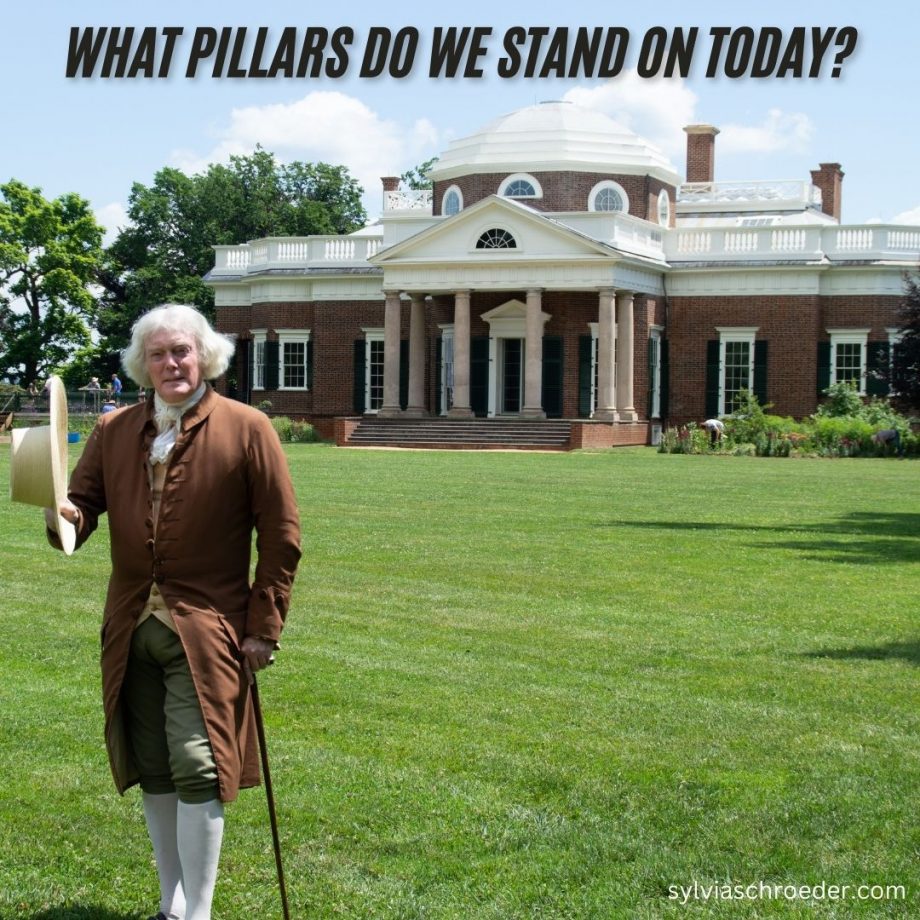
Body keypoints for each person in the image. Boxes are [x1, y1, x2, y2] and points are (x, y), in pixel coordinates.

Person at [44, 304, 302, 920]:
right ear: (143, 365)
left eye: (181, 351)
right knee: (154, 766)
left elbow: (283, 534)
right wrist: (59, 511)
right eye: (158, 354)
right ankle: (171, 903)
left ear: (204, 355)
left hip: (209, 627)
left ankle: (200, 912)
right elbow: (81, 508)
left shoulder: (247, 428)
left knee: (198, 763)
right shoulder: (114, 431)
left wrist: (263, 627)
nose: (171, 364)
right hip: (131, 624)